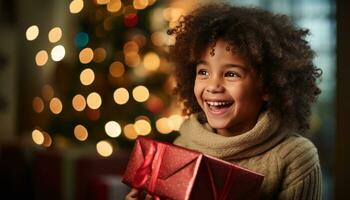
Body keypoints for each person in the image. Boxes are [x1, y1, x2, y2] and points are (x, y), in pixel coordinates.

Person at [126, 2, 322, 200]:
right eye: (203, 72)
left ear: (267, 86)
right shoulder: (182, 145)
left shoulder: (296, 157)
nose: (213, 86)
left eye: (231, 74)